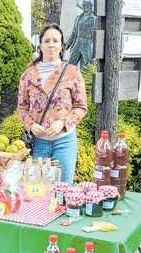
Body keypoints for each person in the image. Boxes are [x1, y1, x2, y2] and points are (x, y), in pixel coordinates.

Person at [17, 23, 88, 184]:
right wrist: (31, 125)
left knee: (63, 190)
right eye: (47, 41)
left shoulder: (72, 72)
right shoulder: (28, 75)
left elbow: (81, 107)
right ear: (40, 44)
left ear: (62, 45)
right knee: (37, 190)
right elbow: (22, 107)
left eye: (55, 41)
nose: (51, 45)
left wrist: (63, 122)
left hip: (65, 141)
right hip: (39, 143)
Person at [66, 0, 97, 67]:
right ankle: (69, 76)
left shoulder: (94, 19)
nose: (83, 7)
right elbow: (73, 32)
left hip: (87, 43)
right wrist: (68, 44)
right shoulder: (78, 18)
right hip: (77, 42)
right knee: (70, 63)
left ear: (89, 6)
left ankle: (85, 77)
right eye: (82, 5)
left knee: (88, 64)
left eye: (85, 5)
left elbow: (95, 35)